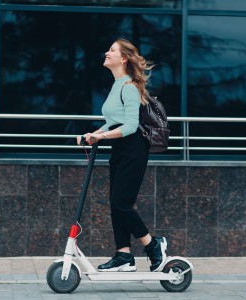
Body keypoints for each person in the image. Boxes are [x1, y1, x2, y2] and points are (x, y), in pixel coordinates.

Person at [76, 38, 168, 272]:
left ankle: (152, 245)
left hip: (133, 149)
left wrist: (101, 137)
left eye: (112, 50)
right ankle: (123, 255)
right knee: (117, 203)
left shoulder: (129, 87)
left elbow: (129, 126)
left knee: (121, 202)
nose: (106, 53)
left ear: (123, 58)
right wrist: (92, 133)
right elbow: (112, 122)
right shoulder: (117, 85)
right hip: (120, 149)